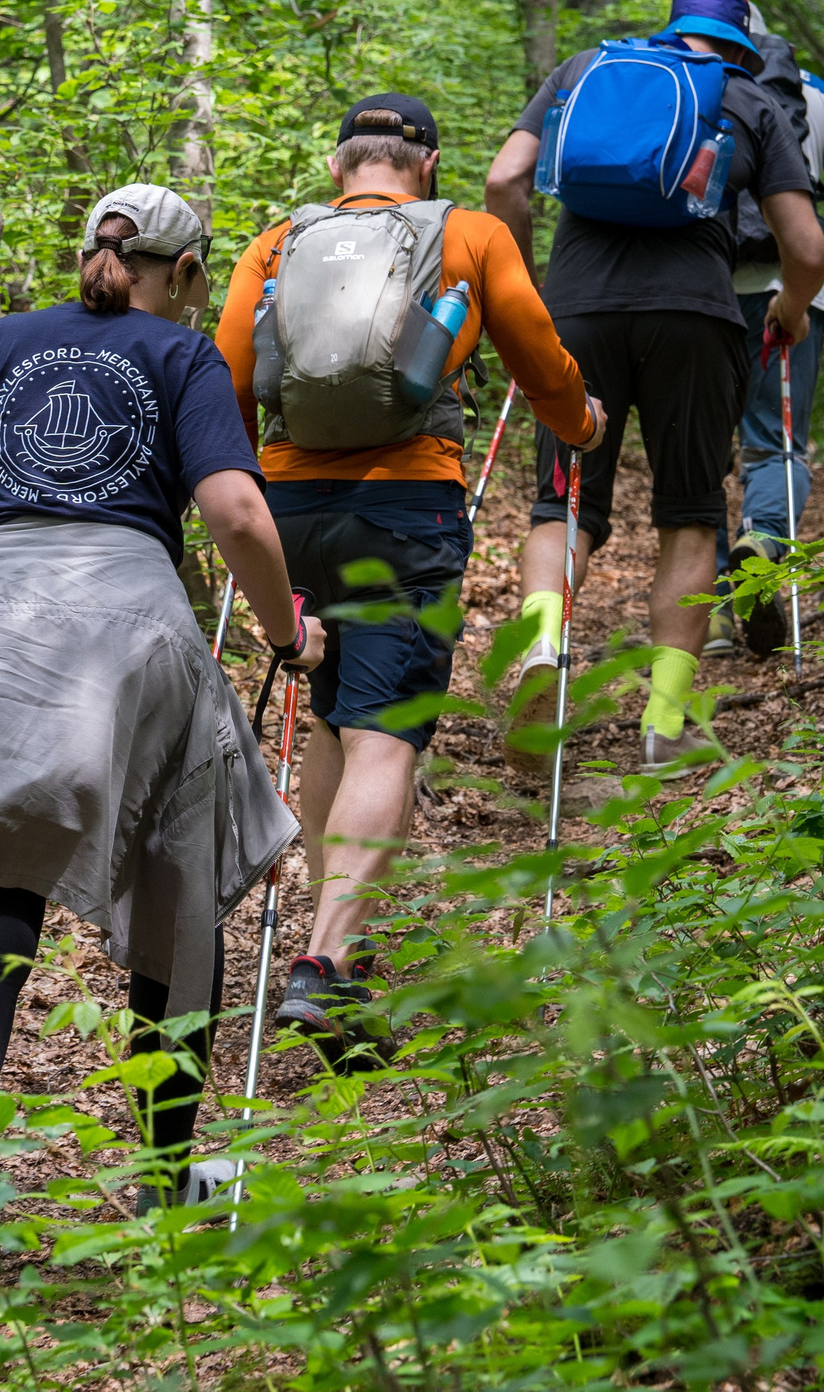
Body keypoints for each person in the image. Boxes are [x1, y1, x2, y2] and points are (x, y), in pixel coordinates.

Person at [0, 184, 317, 1303]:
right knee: (175, 904)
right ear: (188, 274)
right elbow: (239, 514)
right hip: (126, 634)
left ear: (92, 255)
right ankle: (164, 1186)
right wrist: (288, 628)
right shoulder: (183, 355)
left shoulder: (7, 341)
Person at [216, 96, 601, 1060]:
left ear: (341, 161)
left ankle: (333, 953)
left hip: (289, 506)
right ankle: (327, 963)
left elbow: (226, 376)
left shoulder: (276, 243)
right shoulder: (465, 234)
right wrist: (583, 422)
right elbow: (539, 359)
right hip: (406, 507)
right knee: (387, 729)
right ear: (424, 166)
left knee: (329, 713)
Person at [482, 0, 824, 772]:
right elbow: (805, 248)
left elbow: (506, 181)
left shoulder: (582, 70)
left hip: (575, 312)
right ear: (740, 43)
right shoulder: (748, 100)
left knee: (563, 498)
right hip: (696, 319)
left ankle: (542, 638)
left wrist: (531, 292)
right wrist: (792, 308)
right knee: (689, 510)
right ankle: (664, 721)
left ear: (670, 27)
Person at [709, 51, 824, 657]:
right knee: (776, 441)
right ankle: (761, 545)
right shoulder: (810, 92)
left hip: (696, 290)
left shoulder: (679, 83)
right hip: (789, 288)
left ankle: (706, 614)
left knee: (699, 451)